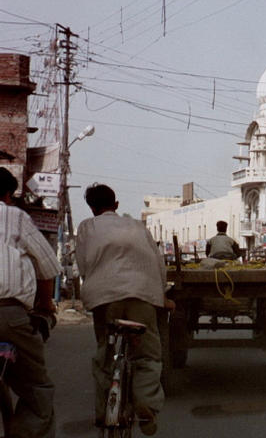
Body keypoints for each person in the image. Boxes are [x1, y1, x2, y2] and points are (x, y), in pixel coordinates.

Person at [76, 184, 173, 436]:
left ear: (91, 207)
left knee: (105, 358)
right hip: (142, 294)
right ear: (116, 205)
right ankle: (146, 405)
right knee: (148, 356)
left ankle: (102, 413)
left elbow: (83, 265)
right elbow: (158, 262)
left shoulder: (87, 226)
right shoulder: (138, 227)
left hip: (103, 298)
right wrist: (161, 294)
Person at [0, 167, 61, 438]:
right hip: (9, 315)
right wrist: (45, 305)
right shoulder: (15, 216)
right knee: (37, 388)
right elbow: (48, 266)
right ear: (8, 195)